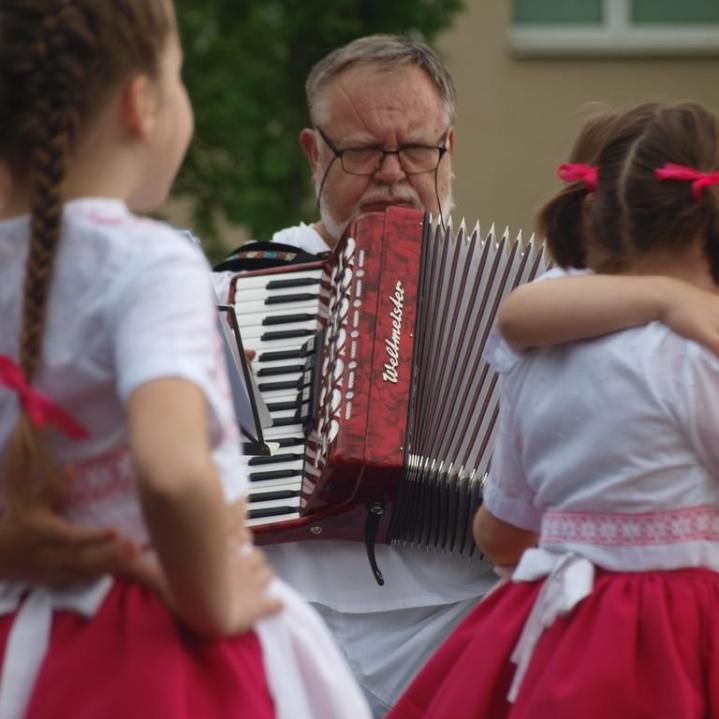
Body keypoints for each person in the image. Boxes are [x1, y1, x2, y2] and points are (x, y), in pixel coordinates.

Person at [0, 2, 370, 718]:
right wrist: (209, 599)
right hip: (152, 649)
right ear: (141, 103)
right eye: (179, 76)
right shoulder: (149, 261)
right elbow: (170, 473)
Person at [388, 101, 719, 718]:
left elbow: (502, 532)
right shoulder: (696, 353)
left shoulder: (540, 343)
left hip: (554, 629)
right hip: (680, 632)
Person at [223, 35, 497, 717]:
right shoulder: (246, 289)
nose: (392, 172)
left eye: (414, 149)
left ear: (449, 150)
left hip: (455, 608)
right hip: (292, 606)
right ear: (315, 154)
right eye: (363, 150)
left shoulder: (513, 293)